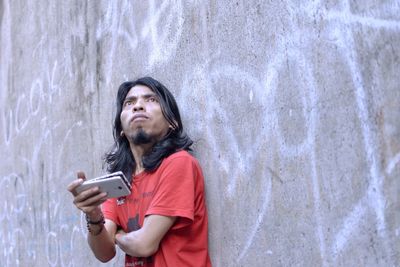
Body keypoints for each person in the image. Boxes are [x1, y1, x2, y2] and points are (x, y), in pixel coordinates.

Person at [67, 77, 212, 267]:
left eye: (151, 100)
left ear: (172, 123)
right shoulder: (120, 179)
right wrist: (94, 216)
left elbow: (144, 245)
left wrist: (116, 235)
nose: (138, 106)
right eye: (130, 102)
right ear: (121, 130)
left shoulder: (179, 163)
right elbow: (104, 253)